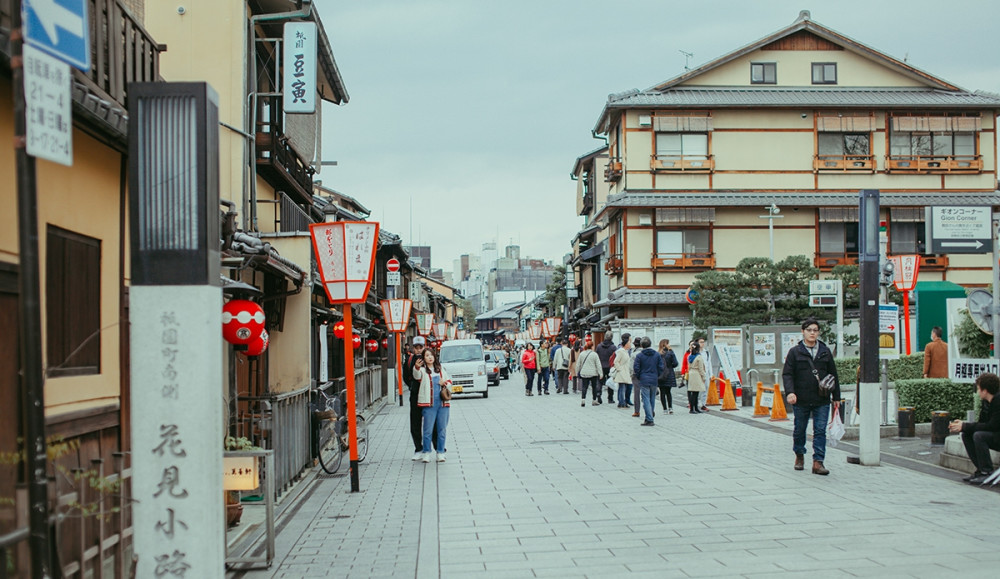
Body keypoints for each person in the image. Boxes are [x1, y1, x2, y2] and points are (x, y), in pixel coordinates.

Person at [782, 318, 840, 476]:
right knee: (799, 429)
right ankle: (799, 455)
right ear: (803, 332)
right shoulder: (795, 352)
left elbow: (833, 374)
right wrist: (790, 392)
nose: (812, 333)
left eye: (815, 330)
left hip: (822, 398)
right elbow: (787, 374)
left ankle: (818, 462)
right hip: (801, 398)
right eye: (809, 330)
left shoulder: (824, 351)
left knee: (820, 430)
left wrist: (836, 397)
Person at [948, 372, 1000, 484]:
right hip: (996, 435)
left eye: (978, 389)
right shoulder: (986, 402)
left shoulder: (998, 401)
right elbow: (982, 424)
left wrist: (965, 426)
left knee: (979, 436)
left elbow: (993, 425)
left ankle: (987, 472)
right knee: (967, 434)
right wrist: (964, 426)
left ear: (985, 391)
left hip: (997, 434)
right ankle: (981, 470)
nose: (977, 392)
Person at [413, 347, 451, 463]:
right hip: (428, 404)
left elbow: (449, 382)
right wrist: (417, 367)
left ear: (434, 356)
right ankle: (426, 452)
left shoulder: (440, 369)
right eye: (427, 356)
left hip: (442, 403)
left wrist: (444, 383)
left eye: (431, 355)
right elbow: (416, 376)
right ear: (424, 358)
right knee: (427, 429)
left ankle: (440, 452)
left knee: (442, 429)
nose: (430, 357)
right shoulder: (423, 371)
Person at [405, 336, 435, 460]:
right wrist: (412, 386)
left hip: (428, 395)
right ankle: (418, 448)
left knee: (431, 421)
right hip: (415, 395)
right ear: (413, 348)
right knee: (415, 422)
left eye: (420, 347)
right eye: (416, 348)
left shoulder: (428, 358)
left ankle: (437, 447)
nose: (418, 350)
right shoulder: (409, 360)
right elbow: (406, 377)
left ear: (424, 347)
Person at [633, 337, 665, 425]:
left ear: (641, 345)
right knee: (652, 399)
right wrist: (657, 375)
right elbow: (661, 367)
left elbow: (636, 368)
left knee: (645, 399)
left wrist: (640, 376)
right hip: (654, 378)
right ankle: (649, 416)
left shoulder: (639, 355)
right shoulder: (657, 355)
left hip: (644, 379)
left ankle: (649, 419)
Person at [576, 340, 603, 406]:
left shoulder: (582, 354)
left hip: (584, 372)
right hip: (593, 373)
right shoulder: (594, 354)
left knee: (584, 386)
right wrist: (601, 373)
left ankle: (583, 400)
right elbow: (598, 365)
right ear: (592, 347)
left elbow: (578, 364)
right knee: (594, 387)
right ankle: (594, 400)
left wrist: (577, 372)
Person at [657, 339, 678, 413]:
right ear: (666, 344)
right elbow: (675, 363)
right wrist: (670, 366)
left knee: (662, 392)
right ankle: (670, 407)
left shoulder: (658, 354)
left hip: (660, 375)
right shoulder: (670, 353)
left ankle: (664, 409)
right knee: (668, 392)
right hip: (669, 373)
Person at [612, 334, 633, 408]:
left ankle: (622, 402)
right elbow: (616, 361)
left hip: (625, 371)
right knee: (622, 387)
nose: (630, 344)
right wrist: (619, 369)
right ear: (626, 344)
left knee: (623, 387)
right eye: (629, 343)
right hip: (622, 371)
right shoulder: (621, 351)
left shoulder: (625, 351)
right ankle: (621, 402)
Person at [686, 343, 707, 414]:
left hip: (691, 373)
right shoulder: (699, 357)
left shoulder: (690, 356)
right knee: (696, 392)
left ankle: (693, 408)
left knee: (693, 392)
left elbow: (688, 366)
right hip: (697, 374)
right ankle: (694, 408)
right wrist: (704, 377)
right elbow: (701, 368)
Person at [596, 335, 617, 403]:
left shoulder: (599, 346)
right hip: (610, 366)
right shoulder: (613, 347)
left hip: (601, 365)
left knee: (599, 381)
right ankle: (610, 398)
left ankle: (598, 393)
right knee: (610, 381)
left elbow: (597, 356)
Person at [697, 337, 712, 412]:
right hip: (698, 374)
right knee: (697, 389)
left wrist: (711, 374)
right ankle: (695, 403)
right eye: (700, 342)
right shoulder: (695, 352)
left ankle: (703, 404)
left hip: (706, 373)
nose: (702, 344)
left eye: (703, 342)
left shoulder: (706, 352)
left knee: (706, 388)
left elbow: (709, 364)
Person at [631, 336, 643, 417]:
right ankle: (650, 409)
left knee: (637, 393)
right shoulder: (648, 353)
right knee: (647, 393)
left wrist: (631, 374)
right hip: (646, 374)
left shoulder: (634, 354)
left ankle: (637, 411)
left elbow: (631, 367)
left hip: (636, 375)